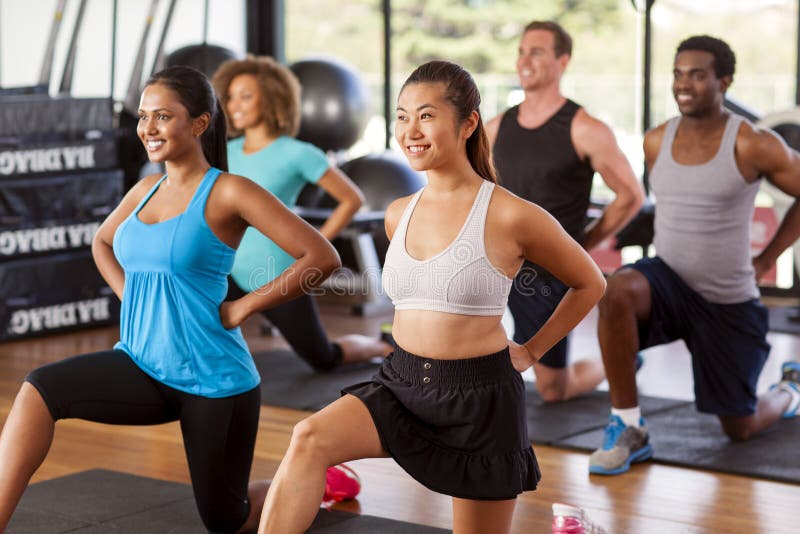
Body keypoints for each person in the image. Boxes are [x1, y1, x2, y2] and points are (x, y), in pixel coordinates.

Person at [255, 60, 607, 534]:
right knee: (308, 437)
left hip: (479, 402)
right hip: (400, 383)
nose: (410, 130)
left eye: (426, 115)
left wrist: (532, 350)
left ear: (467, 123)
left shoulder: (511, 215)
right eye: (401, 116)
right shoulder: (398, 213)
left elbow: (591, 282)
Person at [0, 66, 340, 532]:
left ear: (199, 124)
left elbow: (321, 256)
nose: (148, 128)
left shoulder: (228, 190)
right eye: (143, 117)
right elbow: (102, 242)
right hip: (141, 363)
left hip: (213, 379)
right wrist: (130, 298)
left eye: (163, 116)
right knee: (40, 387)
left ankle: (307, 480)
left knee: (228, 521)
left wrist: (244, 307)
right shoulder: (145, 190)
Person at [590, 35, 800, 476]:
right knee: (615, 291)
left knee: (739, 427)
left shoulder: (753, 143)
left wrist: (768, 258)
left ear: (725, 80)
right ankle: (629, 426)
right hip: (668, 284)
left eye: (698, 75)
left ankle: (789, 390)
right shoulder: (655, 140)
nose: (684, 84)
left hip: (727, 300)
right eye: (678, 74)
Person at [486, 20, 644, 402]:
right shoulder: (494, 128)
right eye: (522, 51)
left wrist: (583, 243)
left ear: (563, 61)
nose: (525, 60)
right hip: (499, 262)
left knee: (552, 390)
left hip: (548, 274)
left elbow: (630, 195)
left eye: (537, 52)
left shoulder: (586, 129)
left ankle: (620, 360)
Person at [211, 56, 391, 371]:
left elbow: (351, 198)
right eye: (231, 96)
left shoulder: (298, 153)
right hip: (229, 270)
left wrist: (316, 245)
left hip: (279, 274)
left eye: (246, 96)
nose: (234, 104)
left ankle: (380, 345)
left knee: (322, 358)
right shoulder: (226, 152)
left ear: (271, 99)